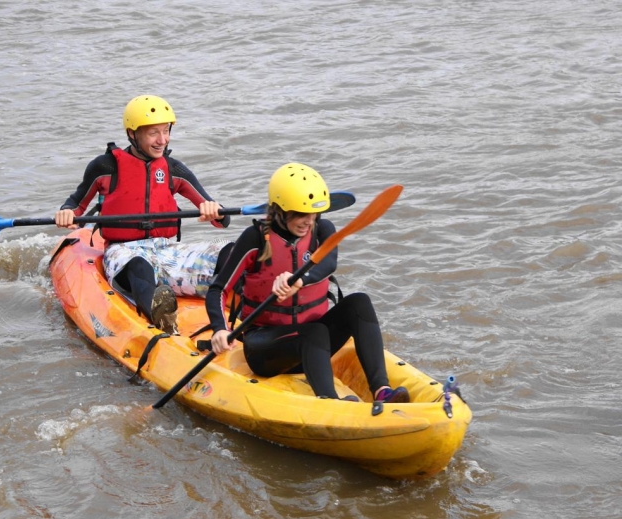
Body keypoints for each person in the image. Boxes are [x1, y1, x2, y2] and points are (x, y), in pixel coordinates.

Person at [205, 162, 409, 403]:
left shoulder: (323, 230)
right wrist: (219, 328)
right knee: (314, 332)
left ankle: (382, 391)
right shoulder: (256, 239)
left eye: (313, 213)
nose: (308, 221)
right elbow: (218, 289)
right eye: (300, 213)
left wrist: (299, 280)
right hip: (266, 349)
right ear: (280, 211)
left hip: (315, 345)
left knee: (359, 303)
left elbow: (328, 263)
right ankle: (331, 402)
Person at [55, 94, 230, 334]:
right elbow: (76, 204)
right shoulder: (105, 167)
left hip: (165, 250)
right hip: (124, 251)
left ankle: (249, 300)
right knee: (139, 267)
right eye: (153, 133)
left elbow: (220, 217)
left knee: (229, 251)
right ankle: (160, 317)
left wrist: (213, 211)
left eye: (166, 131)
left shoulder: (173, 169)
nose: (162, 140)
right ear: (131, 134)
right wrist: (66, 213)